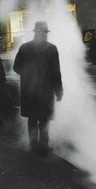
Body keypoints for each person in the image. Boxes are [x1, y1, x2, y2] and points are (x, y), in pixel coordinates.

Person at [13, 21, 63, 157]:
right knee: (44, 120)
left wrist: (28, 75)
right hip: (45, 93)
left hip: (29, 91)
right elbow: (56, 73)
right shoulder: (51, 49)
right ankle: (44, 147)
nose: (45, 35)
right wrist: (59, 91)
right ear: (44, 33)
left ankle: (33, 145)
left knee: (32, 119)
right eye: (45, 32)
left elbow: (16, 67)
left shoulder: (25, 48)